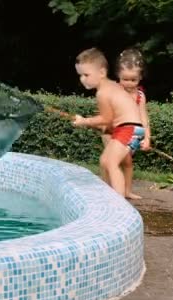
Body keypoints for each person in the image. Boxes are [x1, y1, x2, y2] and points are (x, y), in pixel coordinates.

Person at [71, 48, 145, 198]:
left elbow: (106, 119)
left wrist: (84, 121)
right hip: (126, 128)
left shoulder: (102, 92)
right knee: (104, 160)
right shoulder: (110, 86)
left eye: (86, 75)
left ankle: (118, 202)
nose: (83, 79)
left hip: (130, 129)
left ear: (102, 73)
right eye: (80, 75)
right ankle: (113, 194)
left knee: (111, 162)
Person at [98, 48, 151, 199]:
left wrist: (147, 138)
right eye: (125, 79)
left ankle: (126, 191)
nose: (129, 83)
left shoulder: (140, 96)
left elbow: (144, 118)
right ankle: (108, 190)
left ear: (140, 77)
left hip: (130, 134)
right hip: (111, 132)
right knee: (110, 162)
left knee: (127, 162)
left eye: (133, 80)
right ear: (118, 76)